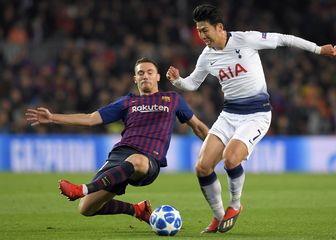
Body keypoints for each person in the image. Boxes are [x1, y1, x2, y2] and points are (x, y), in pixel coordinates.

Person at [166, 4, 336, 234]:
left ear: (219, 27)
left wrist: (318, 49)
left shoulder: (246, 40)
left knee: (230, 160)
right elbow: (193, 83)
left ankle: (235, 205)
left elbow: (284, 38)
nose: (202, 35)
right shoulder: (207, 56)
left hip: (257, 114)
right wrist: (178, 81)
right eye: (198, 31)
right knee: (202, 167)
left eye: (205, 30)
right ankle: (219, 216)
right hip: (229, 114)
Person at [26, 57, 209, 225]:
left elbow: (199, 127)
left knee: (136, 161)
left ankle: (83, 189)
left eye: (149, 72)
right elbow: (90, 119)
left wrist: (217, 149)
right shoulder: (127, 102)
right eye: (140, 73)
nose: (145, 76)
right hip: (119, 155)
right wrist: (52, 118)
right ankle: (137, 209)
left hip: (147, 160)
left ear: (158, 77)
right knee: (86, 208)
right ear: (135, 79)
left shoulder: (172, 99)